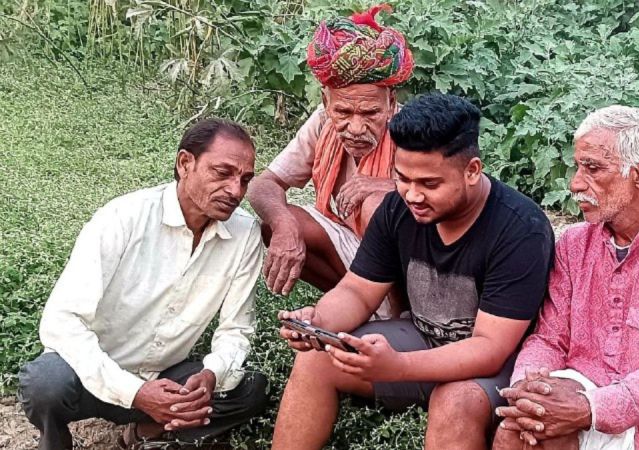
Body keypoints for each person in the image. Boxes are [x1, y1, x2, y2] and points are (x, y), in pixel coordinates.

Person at [271, 93, 554, 450]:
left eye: (429, 184)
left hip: (497, 365)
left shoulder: (520, 229)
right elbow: (357, 291)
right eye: (402, 178)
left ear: (472, 170)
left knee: (454, 401)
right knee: (316, 359)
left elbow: (490, 349)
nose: (413, 195)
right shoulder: (397, 209)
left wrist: (399, 367)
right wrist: (318, 322)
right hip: (422, 338)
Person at [17, 119, 269, 450]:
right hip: (93, 376)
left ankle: (146, 432)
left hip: (166, 379)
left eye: (245, 179)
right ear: (185, 164)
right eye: (222, 173)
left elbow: (236, 329)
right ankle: (56, 439)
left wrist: (211, 375)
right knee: (45, 383)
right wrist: (135, 392)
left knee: (251, 389)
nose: (235, 191)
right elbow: (61, 322)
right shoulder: (123, 218)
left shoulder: (244, 234)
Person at [492, 106, 639, 450]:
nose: (575, 183)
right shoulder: (574, 243)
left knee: (547, 436)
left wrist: (588, 409)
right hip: (577, 388)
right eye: (578, 167)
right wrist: (529, 390)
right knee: (517, 430)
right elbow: (549, 338)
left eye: (592, 168)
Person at [247, 5, 415, 319]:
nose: (355, 127)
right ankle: (361, 306)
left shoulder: (412, 130)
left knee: (377, 206)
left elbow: (452, 195)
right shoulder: (322, 122)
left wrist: (389, 187)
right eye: (343, 112)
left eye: (370, 113)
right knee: (278, 221)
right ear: (326, 102)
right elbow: (264, 184)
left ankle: (402, 315)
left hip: (414, 265)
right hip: (357, 248)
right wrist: (283, 226)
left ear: (391, 103)